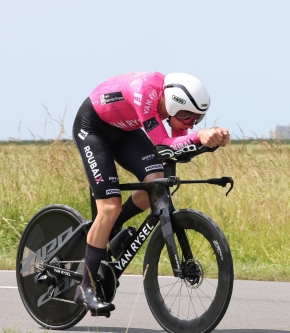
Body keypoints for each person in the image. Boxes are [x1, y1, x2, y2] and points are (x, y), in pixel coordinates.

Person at [72, 72, 230, 314]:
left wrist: (210, 138)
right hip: (93, 128)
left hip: (124, 129)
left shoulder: (170, 104)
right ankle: (85, 287)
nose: (191, 124)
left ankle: (112, 227)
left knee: (156, 185)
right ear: (175, 105)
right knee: (109, 207)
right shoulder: (146, 93)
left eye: (198, 119)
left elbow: (178, 143)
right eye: (188, 117)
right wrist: (199, 136)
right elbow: (163, 144)